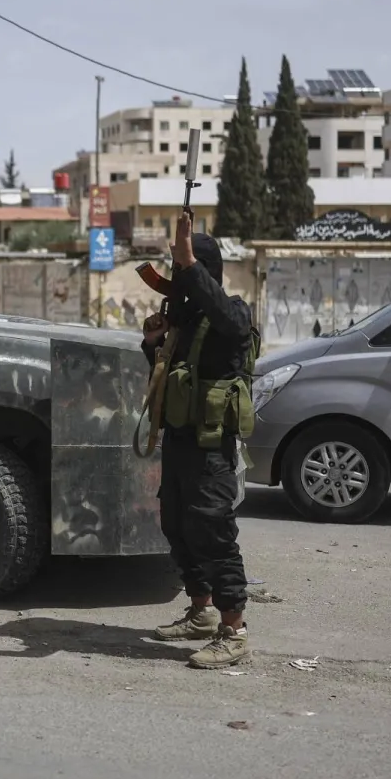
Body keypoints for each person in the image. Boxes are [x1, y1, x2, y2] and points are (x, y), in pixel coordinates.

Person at [144, 213, 258, 670]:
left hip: (211, 446)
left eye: (185, 269)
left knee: (213, 531)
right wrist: (153, 343)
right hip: (180, 438)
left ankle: (235, 630)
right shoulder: (187, 319)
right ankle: (202, 611)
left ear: (203, 271)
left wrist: (189, 263)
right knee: (177, 523)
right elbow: (168, 373)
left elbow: (227, 321)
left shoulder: (231, 312)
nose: (175, 278)